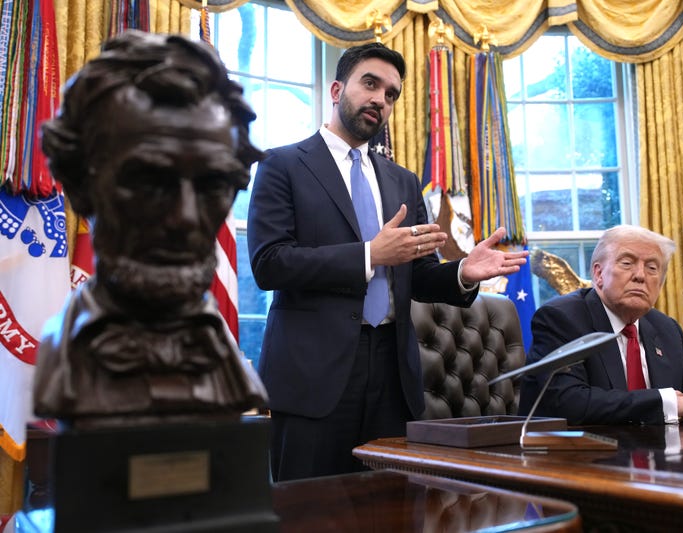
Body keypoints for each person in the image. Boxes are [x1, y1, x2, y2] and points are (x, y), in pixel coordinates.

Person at [247, 42, 528, 481]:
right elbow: (269, 263)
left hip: (393, 375)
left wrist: (462, 272)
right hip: (312, 376)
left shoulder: (403, 181)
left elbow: (416, 274)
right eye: (370, 84)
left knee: (391, 506)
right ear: (337, 90)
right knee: (309, 508)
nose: (380, 99)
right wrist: (368, 255)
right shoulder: (282, 165)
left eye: (391, 94)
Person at [34, 30, 267, 424]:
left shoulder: (231, 369)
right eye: (148, 182)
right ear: (80, 185)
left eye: (212, 185)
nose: (185, 218)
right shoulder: (64, 360)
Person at [518, 225, 683, 425]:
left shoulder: (666, 329)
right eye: (627, 263)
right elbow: (569, 403)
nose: (640, 276)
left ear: (660, 284)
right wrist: (670, 403)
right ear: (598, 274)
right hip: (576, 449)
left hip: (659, 448)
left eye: (652, 268)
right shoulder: (561, 318)